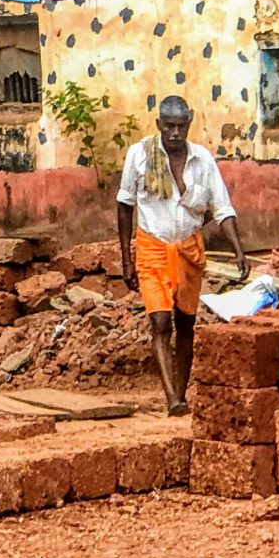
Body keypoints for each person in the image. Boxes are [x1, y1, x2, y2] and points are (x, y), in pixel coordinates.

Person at [117, 96, 248, 414]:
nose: (175, 133)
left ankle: (181, 391)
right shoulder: (140, 156)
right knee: (160, 322)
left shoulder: (202, 160)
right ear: (159, 124)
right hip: (152, 247)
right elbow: (124, 205)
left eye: (181, 126)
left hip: (190, 248)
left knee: (185, 323)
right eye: (170, 126)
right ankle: (172, 398)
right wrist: (126, 257)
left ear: (189, 124)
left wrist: (238, 251)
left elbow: (222, 207)